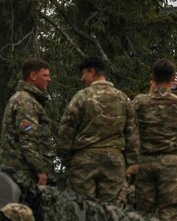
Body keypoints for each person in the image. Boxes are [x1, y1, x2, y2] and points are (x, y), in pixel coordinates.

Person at [56, 56, 138, 206]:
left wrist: (67, 159)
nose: (82, 78)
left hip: (84, 161)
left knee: (80, 211)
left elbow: (66, 130)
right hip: (114, 162)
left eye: (83, 74)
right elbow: (132, 136)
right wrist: (131, 165)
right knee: (112, 213)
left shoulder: (82, 97)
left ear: (91, 72)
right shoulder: (123, 99)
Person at [131, 59, 177, 221]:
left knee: (141, 216)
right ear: (173, 79)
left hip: (145, 163)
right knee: (171, 216)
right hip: (171, 164)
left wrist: (150, 93)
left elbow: (128, 122)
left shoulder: (140, 102)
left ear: (152, 77)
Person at [0, 58, 56, 188]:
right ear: (33, 76)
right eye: (45, 75)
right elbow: (28, 138)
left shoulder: (24, 99)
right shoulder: (26, 102)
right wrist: (40, 170)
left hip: (21, 171)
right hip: (26, 174)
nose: (49, 79)